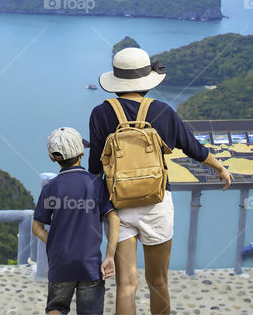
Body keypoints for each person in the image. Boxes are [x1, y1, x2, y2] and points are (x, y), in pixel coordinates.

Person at [89, 47, 232, 315]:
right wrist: (219, 167)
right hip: (156, 203)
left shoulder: (100, 113)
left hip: (117, 207)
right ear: (147, 81)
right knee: (158, 282)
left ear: (117, 81)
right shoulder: (163, 112)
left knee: (126, 285)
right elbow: (193, 148)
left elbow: (95, 167)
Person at [33, 127, 121, 315]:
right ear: (82, 152)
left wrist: (54, 243)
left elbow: (37, 227)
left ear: (52, 157)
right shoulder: (96, 184)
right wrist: (110, 256)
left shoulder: (51, 188)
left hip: (60, 262)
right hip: (90, 264)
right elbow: (114, 218)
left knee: (56, 307)